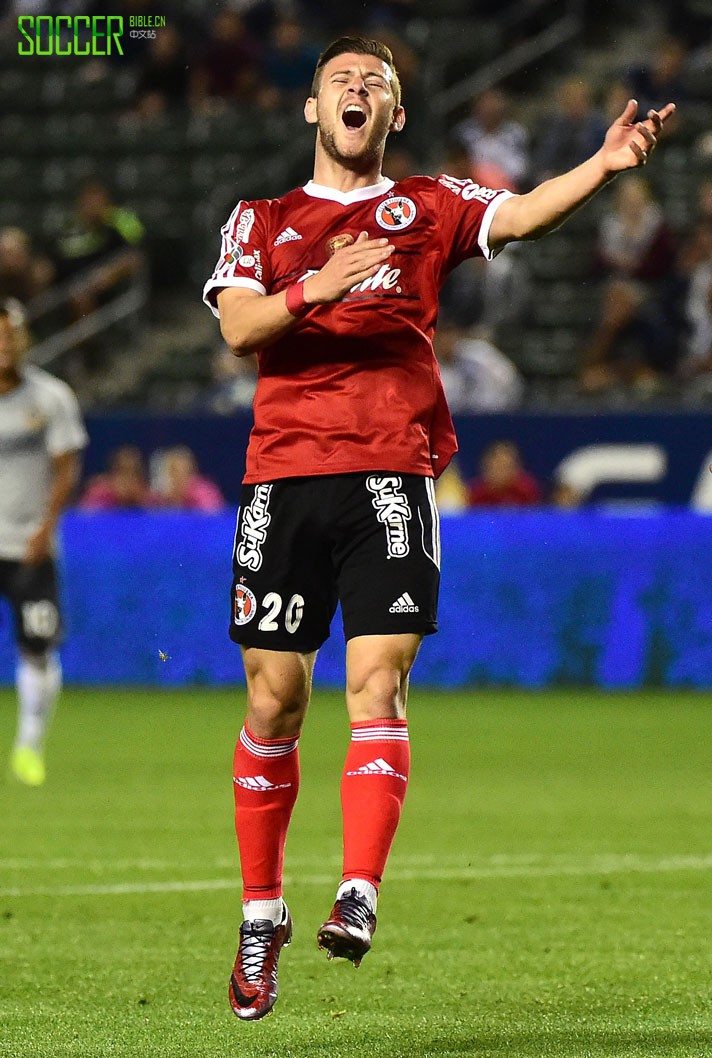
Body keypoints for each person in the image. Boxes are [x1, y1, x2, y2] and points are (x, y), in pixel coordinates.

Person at [202, 34, 674, 1021]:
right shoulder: (263, 218)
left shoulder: (428, 203)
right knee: (272, 699)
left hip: (388, 472)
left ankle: (359, 889)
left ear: (397, 114)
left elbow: (525, 213)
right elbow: (242, 327)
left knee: (379, 677)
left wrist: (602, 162)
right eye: (340, 80)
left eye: (375, 83)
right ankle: (260, 911)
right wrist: (315, 289)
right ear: (311, 108)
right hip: (283, 475)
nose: (357, 89)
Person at [0, 298, 87, 786]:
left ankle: (29, 744)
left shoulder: (50, 398)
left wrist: (44, 528)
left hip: (29, 547)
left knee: (37, 645)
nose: (3, 345)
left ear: (23, 339)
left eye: (9, 335)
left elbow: (65, 467)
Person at [78, 444, 157, 511]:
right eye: (122, 472)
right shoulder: (98, 493)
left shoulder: (149, 498)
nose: (127, 480)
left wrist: (138, 501)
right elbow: (84, 520)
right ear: (112, 474)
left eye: (134, 474)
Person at [466, 439, 541, 507]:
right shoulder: (477, 492)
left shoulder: (526, 490)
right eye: (497, 467)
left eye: (505, 466)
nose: (501, 472)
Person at [152, 445, 226, 512]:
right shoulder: (163, 495)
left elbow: (213, 516)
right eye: (174, 471)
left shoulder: (205, 492)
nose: (179, 476)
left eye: (183, 469)